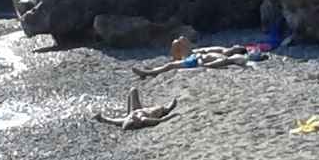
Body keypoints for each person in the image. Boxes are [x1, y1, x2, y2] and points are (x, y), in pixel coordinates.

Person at [132, 36, 262, 79]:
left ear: (238, 50)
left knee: (171, 64)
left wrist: (203, 63)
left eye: (237, 46)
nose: (235, 44)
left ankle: (150, 72)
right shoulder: (223, 50)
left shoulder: (225, 55)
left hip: (195, 58)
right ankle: (157, 69)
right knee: (177, 42)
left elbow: (221, 62)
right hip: (195, 54)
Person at [93, 87, 178, 130]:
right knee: (159, 108)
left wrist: (99, 117)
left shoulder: (127, 119)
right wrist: (172, 115)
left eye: (131, 118)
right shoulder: (144, 119)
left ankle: (128, 112)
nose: (132, 117)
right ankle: (168, 108)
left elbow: (108, 120)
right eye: (132, 118)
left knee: (133, 90)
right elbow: (161, 120)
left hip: (136, 110)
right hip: (146, 112)